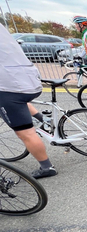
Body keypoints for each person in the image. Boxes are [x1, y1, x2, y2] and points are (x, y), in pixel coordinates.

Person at [0, 23, 57, 178]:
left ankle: (47, 167)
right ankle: (43, 120)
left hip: (8, 85)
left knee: (26, 133)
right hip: (29, 78)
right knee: (20, 103)